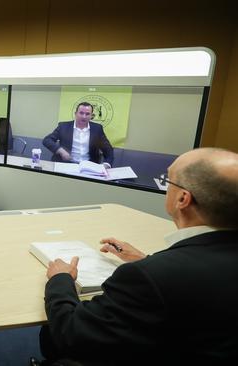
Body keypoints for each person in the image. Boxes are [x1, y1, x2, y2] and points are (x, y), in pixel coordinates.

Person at [39, 147, 238, 365]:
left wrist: (61, 280)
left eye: (168, 181)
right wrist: (147, 260)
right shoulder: (163, 270)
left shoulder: (146, 277)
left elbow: (72, 334)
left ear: (183, 199)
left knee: (51, 336)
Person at [42, 102, 114, 167]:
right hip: (66, 164)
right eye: (81, 113)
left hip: (89, 166)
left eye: (87, 114)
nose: (84, 116)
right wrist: (60, 150)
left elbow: (108, 150)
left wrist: (106, 164)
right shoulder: (63, 126)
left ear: (92, 116)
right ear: (75, 114)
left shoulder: (97, 129)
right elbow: (47, 140)